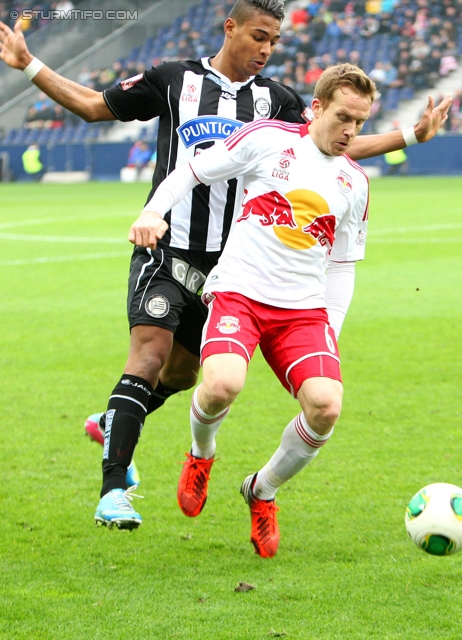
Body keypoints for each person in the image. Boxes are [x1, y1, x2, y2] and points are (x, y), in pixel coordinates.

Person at [0, 0, 451, 531]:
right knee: (149, 355)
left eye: (275, 42)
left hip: (227, 266)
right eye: (259, 36)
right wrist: (30, 64)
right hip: (168, 247)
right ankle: (114, 490)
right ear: (230, 27)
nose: (266, 49)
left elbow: (336, 142)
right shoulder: (174, 79)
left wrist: (411, 136)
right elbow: (96, 106)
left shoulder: (278, 101)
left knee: (185, 375)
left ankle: (122, 415)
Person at [130, 63, 375, 557]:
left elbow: (343, 266)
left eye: (362, 123)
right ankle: (201, 456)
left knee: (326, 407)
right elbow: (194, 170)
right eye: (344, 117)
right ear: (318, 107)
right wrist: (153, 210)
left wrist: (332, 326)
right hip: (239, 291)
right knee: (221, 385)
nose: (351, 131)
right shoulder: (268, 139)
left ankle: (261, 491)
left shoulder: (355, 183)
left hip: (303, 311)